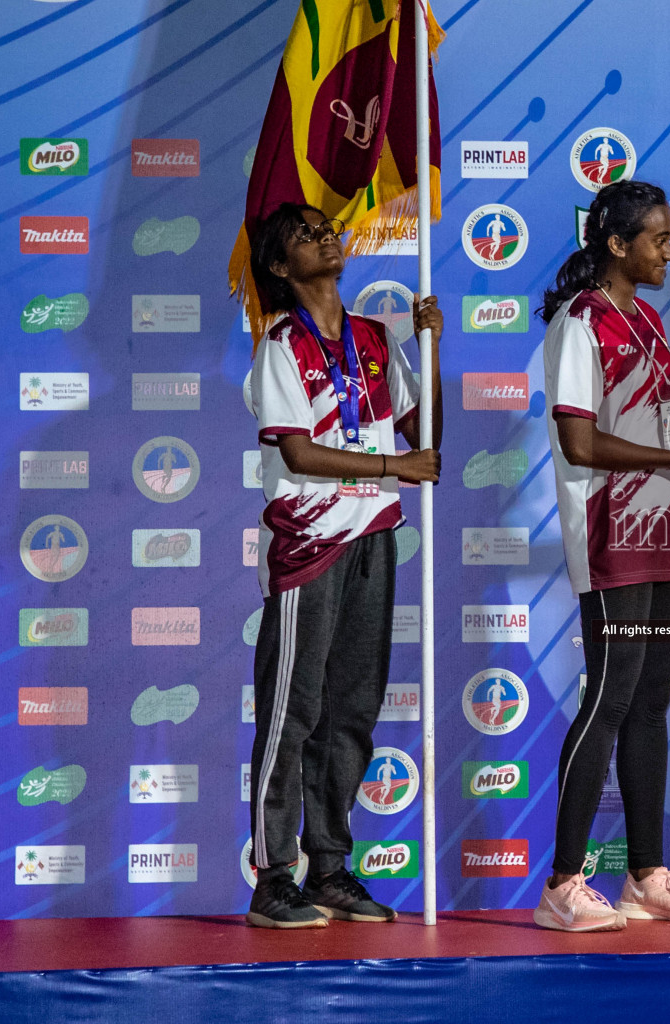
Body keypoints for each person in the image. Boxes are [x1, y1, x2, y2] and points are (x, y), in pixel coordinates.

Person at [536, 179, 670, 932]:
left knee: (652, 705)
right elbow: (581, 440)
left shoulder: (648, 320)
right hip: (609, 534)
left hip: (664, 532)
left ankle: (646, 876)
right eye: (658, 238)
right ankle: (563, 883)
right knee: (609, 699)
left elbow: (656, 424)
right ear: (617, 244)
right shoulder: (580, 322)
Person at [244, 202, 443, 928]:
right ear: (278, 266)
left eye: (327, 227)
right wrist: (394, 461)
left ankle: (330, 867)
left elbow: (431, 438)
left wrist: (432, 349)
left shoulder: (376, 339)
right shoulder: (281, 346)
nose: (326, 237)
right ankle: (273, 877)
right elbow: (298, 453)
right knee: (292, 713)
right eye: (305, 235)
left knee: (353, 709)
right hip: (310, 546)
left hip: (373, 538)